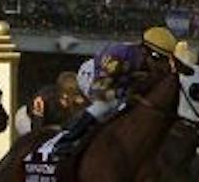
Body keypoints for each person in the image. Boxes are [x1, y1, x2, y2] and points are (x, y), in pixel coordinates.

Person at [49, 25, 180, 155]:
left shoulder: (154, 64)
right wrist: (124, 93)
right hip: (94, 76)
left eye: (166, 60)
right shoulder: (118, 55)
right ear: (147, 52)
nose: (163, 66)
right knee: (106, 105)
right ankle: (66, 141)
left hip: (121, 81)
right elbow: (98, 90)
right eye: (160, 59)